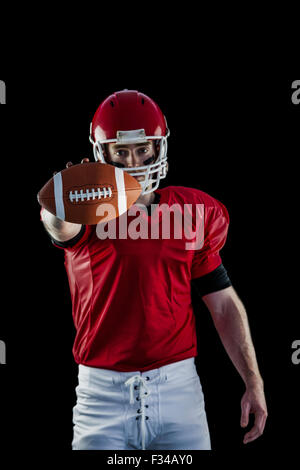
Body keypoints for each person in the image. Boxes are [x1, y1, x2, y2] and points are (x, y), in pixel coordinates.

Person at [40, 89, 268, 450]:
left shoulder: (192, 210)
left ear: (159, 147)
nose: (133, 162)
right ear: (103, 154)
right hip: (101, 395)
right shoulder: (86, 213)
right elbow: (58, 226)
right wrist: (60, 200)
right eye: (121, 151)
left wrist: (253, 381)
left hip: (178, 390)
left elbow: (222, 304)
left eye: (143, 149)